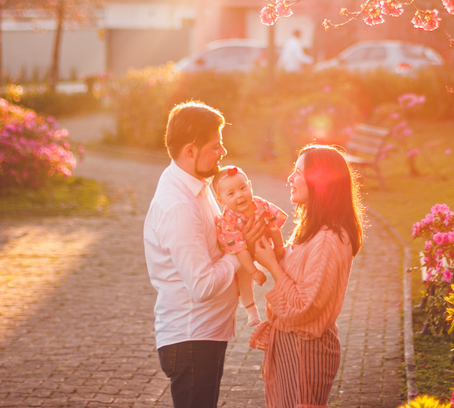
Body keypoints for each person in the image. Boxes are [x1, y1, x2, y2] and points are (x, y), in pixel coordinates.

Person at [143, 101, 267, 408]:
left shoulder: (196, 184)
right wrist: (241, 251)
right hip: (191, 340)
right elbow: (201, 286)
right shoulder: (179, 206)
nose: (223, 152)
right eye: (215, 146)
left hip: (202, 337)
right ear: (191, 150)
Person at [249, 144, 364, 408]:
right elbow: (299, 276)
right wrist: (272, 253)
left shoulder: (327, 240)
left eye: (298, 172)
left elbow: (305, 304)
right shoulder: (315, 229)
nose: (290, 178)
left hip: (306, 353)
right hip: (293, 348)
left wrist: (272, 265)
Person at [211, 165, 288, 326]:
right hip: (243, 255)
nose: (240, 195)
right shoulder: (228, 222)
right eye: (231, 194)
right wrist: (254, 272)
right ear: (221, 201)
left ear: (250, 186)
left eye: (242, 188)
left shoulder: (260, 205)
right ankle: (251, 310)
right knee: (244, 280)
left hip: (266, 246)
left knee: (285, 263)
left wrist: (279, 247)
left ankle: (287, 296)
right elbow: (239, 250)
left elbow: (274, 226)